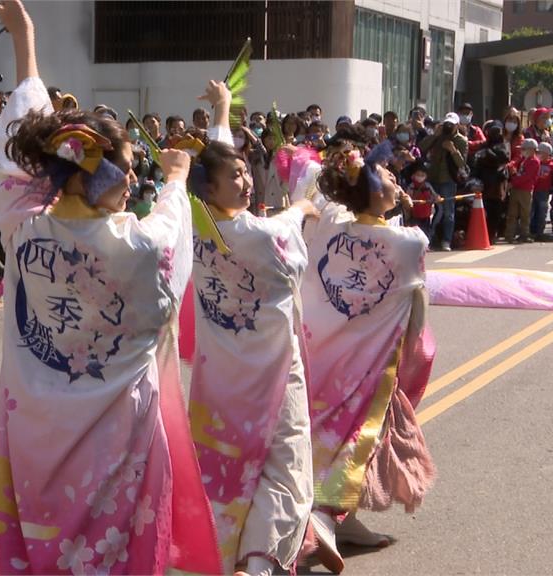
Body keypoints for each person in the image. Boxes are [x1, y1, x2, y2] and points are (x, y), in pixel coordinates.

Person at [0, 2, 220, 574]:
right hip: (118, 433)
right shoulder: (138, 247)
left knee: (50, 545)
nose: (135, 177)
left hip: (37, 427)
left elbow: (27, 141)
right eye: (129, 165)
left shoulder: (23, 224)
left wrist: (26, 43)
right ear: (106, 173)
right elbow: (173, 233)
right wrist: (176, 176)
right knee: (117, 550)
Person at [185, 89, 315, 576]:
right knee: (285, 464)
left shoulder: (194, 226)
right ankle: (258, 564)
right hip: (274, 374)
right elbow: (289, 244)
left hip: (220, 375)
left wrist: (221, 115)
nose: (243, 180)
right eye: (234, 175)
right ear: (210, 190)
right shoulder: (262, 235)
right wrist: (301, 207)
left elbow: (211, 168)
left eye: (245, 171)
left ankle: (224, 555)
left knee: (227, 468)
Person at [301, 140, 436, 574]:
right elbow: (416, 306)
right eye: (390, 178)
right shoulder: (407, 242)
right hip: (367, 364)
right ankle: (325, 517)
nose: (396, 181)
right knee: (361, 438)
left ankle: (346, 519)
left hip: (323, 351)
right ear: (376, 192)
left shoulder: (330, 227)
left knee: (328, 435)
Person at [418, 112, 468, 251]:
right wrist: (434, 135)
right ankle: (430, 238)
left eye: (451, 125)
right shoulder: (437, 136)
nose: (448, 127)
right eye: (446, 124)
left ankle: (446, 240)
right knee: (431, 210)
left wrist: (453, 150)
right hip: (433, 177)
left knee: (448, 211)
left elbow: (462, 164)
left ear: (457, 125)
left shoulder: (461, 140)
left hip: (448, 179)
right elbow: (421, 147)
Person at [505, 138, 540, 243]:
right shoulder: (524, 160)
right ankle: (509, 235)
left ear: (532, 150)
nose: (522, 151)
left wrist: (512, 182)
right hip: (516, 189)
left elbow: (525, 177)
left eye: (524, 149)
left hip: (525, 190)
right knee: (512, 213)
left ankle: (524, 234)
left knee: (525, 214)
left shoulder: (534, 161)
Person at [532, 142, 553, 240]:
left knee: (542, 212)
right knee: (531, 212)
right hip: (533, 190)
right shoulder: (535, 163)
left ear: (547, 154)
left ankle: (540, 232)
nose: (538, 154)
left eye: (540, 152)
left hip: (544, 192)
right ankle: (531, 231)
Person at [406, 162, 438, 241]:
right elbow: (407, 196)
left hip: (426, 213)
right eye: (418, 174)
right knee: (415, 230)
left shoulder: (428, 186)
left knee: (426, 230)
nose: (420, 177)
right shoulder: (411, 186)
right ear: (413, 175)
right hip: (415, 213)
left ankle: (426, 244)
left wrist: (436, 198)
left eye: (422, 175)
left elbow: (434, 195)